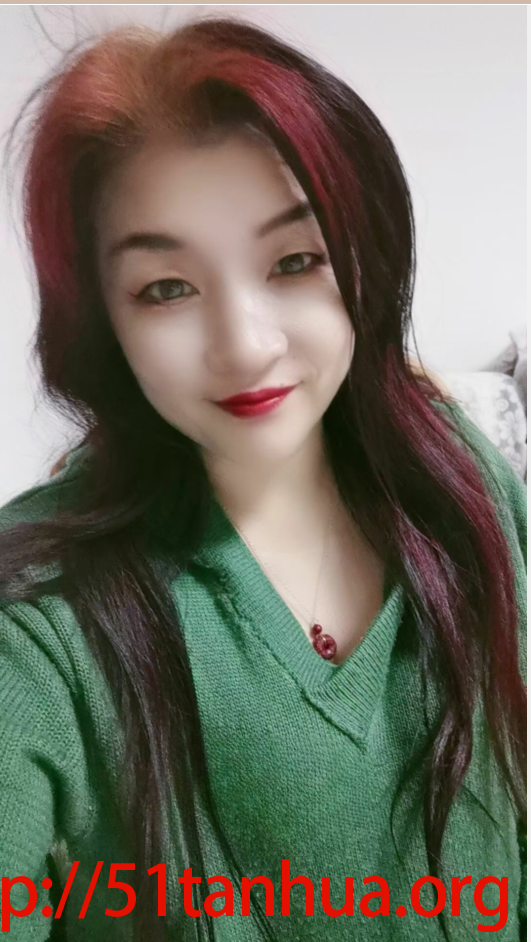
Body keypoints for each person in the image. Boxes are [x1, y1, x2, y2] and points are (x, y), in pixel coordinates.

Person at [0, 15, 526, 942]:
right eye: (166, 288)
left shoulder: (453, 469)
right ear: (103, 321)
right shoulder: (43, 620)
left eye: (294, 261)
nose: (245, 346)